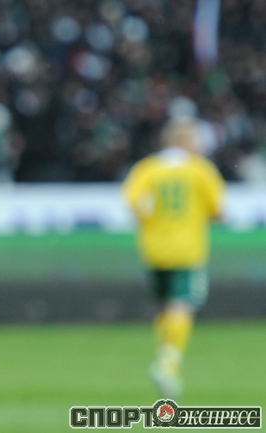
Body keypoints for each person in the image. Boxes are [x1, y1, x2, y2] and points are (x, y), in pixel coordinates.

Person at [122, 116, 225, 399]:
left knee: (162, 307)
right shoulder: (200, 170)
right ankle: (168, 364)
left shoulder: (147, 169)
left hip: (153, 249)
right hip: (187, 250)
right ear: (184, 140)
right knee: (182, 305)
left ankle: (164, 357)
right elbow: (218, 209)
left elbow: (133, 203)